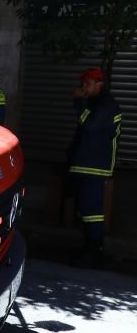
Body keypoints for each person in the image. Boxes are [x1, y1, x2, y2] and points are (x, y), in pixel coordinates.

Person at [68, 67, 122, 267]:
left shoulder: (107, 104)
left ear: (99, 84)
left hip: (96, 166)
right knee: (85, 208)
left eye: (88, 83)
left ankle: (94, 251)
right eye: (83, 83)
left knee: (93, 210)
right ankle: (87, 247)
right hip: (85, 164)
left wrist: (79, 102)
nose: (84, 87)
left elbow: (90, 126)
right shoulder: (95, 103)